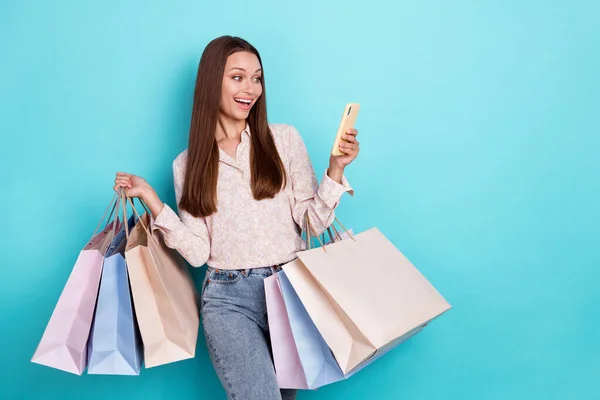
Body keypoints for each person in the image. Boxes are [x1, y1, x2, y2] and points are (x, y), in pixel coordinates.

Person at [113, 35, 360, 400]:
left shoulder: (284, 140)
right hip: (229, 300)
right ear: (213, 81)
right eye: (238, 77)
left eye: (257, 78)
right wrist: (153, 201)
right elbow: (198, 252)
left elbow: (312, 224)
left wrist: (336, 170)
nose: (251, 89)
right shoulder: (188, 165)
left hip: (291, 292)